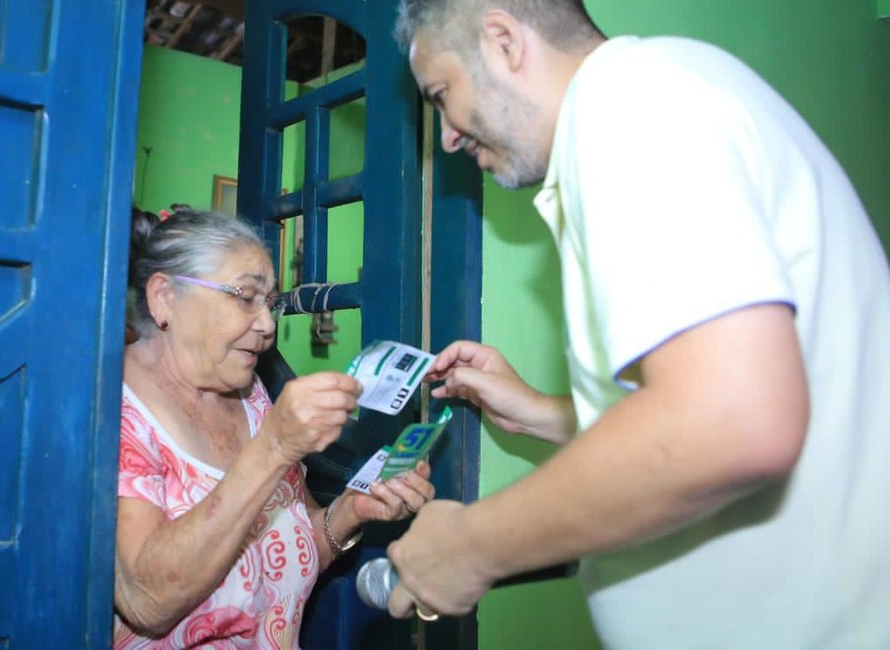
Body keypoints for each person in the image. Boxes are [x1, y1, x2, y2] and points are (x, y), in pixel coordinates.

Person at [386, 1, 890, 648]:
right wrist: (544, 413)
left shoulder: (630, 105)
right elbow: (717, 398)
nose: (448, 135)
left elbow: (731, 421)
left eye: (441, 93)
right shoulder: (659, 90)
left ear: (504, 41)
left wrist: (472, 547)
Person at [113, 207, 435, 649]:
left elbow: (297, 550)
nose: (267, 325)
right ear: (164, 298)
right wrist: (273, 448)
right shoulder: (112, 411)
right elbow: (147, 602)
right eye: (245, 296)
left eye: (270, 303)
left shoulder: (252, 398)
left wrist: (352, 510)